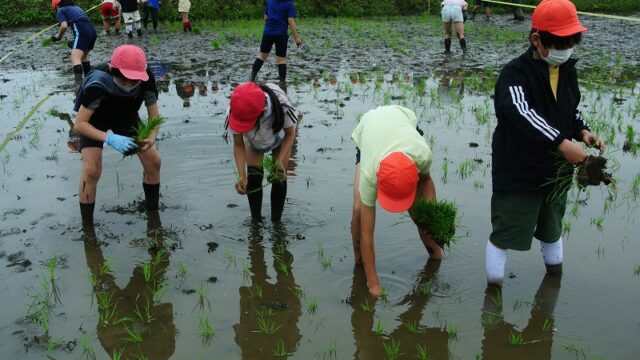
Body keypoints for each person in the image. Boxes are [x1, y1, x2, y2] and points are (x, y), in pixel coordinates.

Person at [487, 0, 605, 286]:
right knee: (506, 232)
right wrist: (562, 143)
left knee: (553, 227)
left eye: (571, 42)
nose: (565, 50)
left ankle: (554, 280)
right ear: (537, 40)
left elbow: (569, 109)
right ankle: (493, 293)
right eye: (559, 43)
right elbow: (522, 113)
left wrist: (582, 132)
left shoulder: (567, 70)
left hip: (555, 172)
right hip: (519, 169)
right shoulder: (514, 74)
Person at [350, 105, 444, 298]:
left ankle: (436, 254)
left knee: (420, 210)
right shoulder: (370, 174)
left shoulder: (422, 154)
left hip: (402, 120)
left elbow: (425, 180)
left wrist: (432, 219)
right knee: (359, 210)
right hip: (370, 131)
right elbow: (367, 235)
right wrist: (373, 284)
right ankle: (359, 261)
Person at [73, 45, 162, 225]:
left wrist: (151, 137)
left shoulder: (147, 79)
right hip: (94, 120)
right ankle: (87, 227)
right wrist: (110, 138)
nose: (128, 86)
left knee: (154, 161)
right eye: (123, 81)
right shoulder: (97, 84)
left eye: (133, 83)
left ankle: (153, 214)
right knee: (91, 170)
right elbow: (79, 124)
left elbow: (154, 118)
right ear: (113, 71)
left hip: (125, 116)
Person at [227, 82, 298, 223]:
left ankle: (276, 223)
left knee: (278, 176)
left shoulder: (282, 105)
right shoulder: (235, 110)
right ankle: (256, 222)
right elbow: (239, 144)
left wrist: (279, 163)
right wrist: (242, 175)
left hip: (280, 138)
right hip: (254, 141)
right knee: (253, 177)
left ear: (263, 110)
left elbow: (290, 135)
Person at [249, 0, 302, 90]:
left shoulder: (269, 1)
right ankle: (282, 84)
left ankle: (251, 79)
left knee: (262, 55)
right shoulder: (289, 3)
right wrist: (296, 37)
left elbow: (266, 17)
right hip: (281, 34)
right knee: (281, 60)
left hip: (268, 33)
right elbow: (291, 20)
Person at [51, 0, 97, 91]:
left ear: (56, 6)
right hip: (92, 31)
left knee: (75, 58)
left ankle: (78, 86)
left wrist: (58, 36)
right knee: (83, 57)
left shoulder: (61, 10)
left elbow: (64, 26)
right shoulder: (77, 8)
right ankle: (88, 81)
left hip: (82, 31)